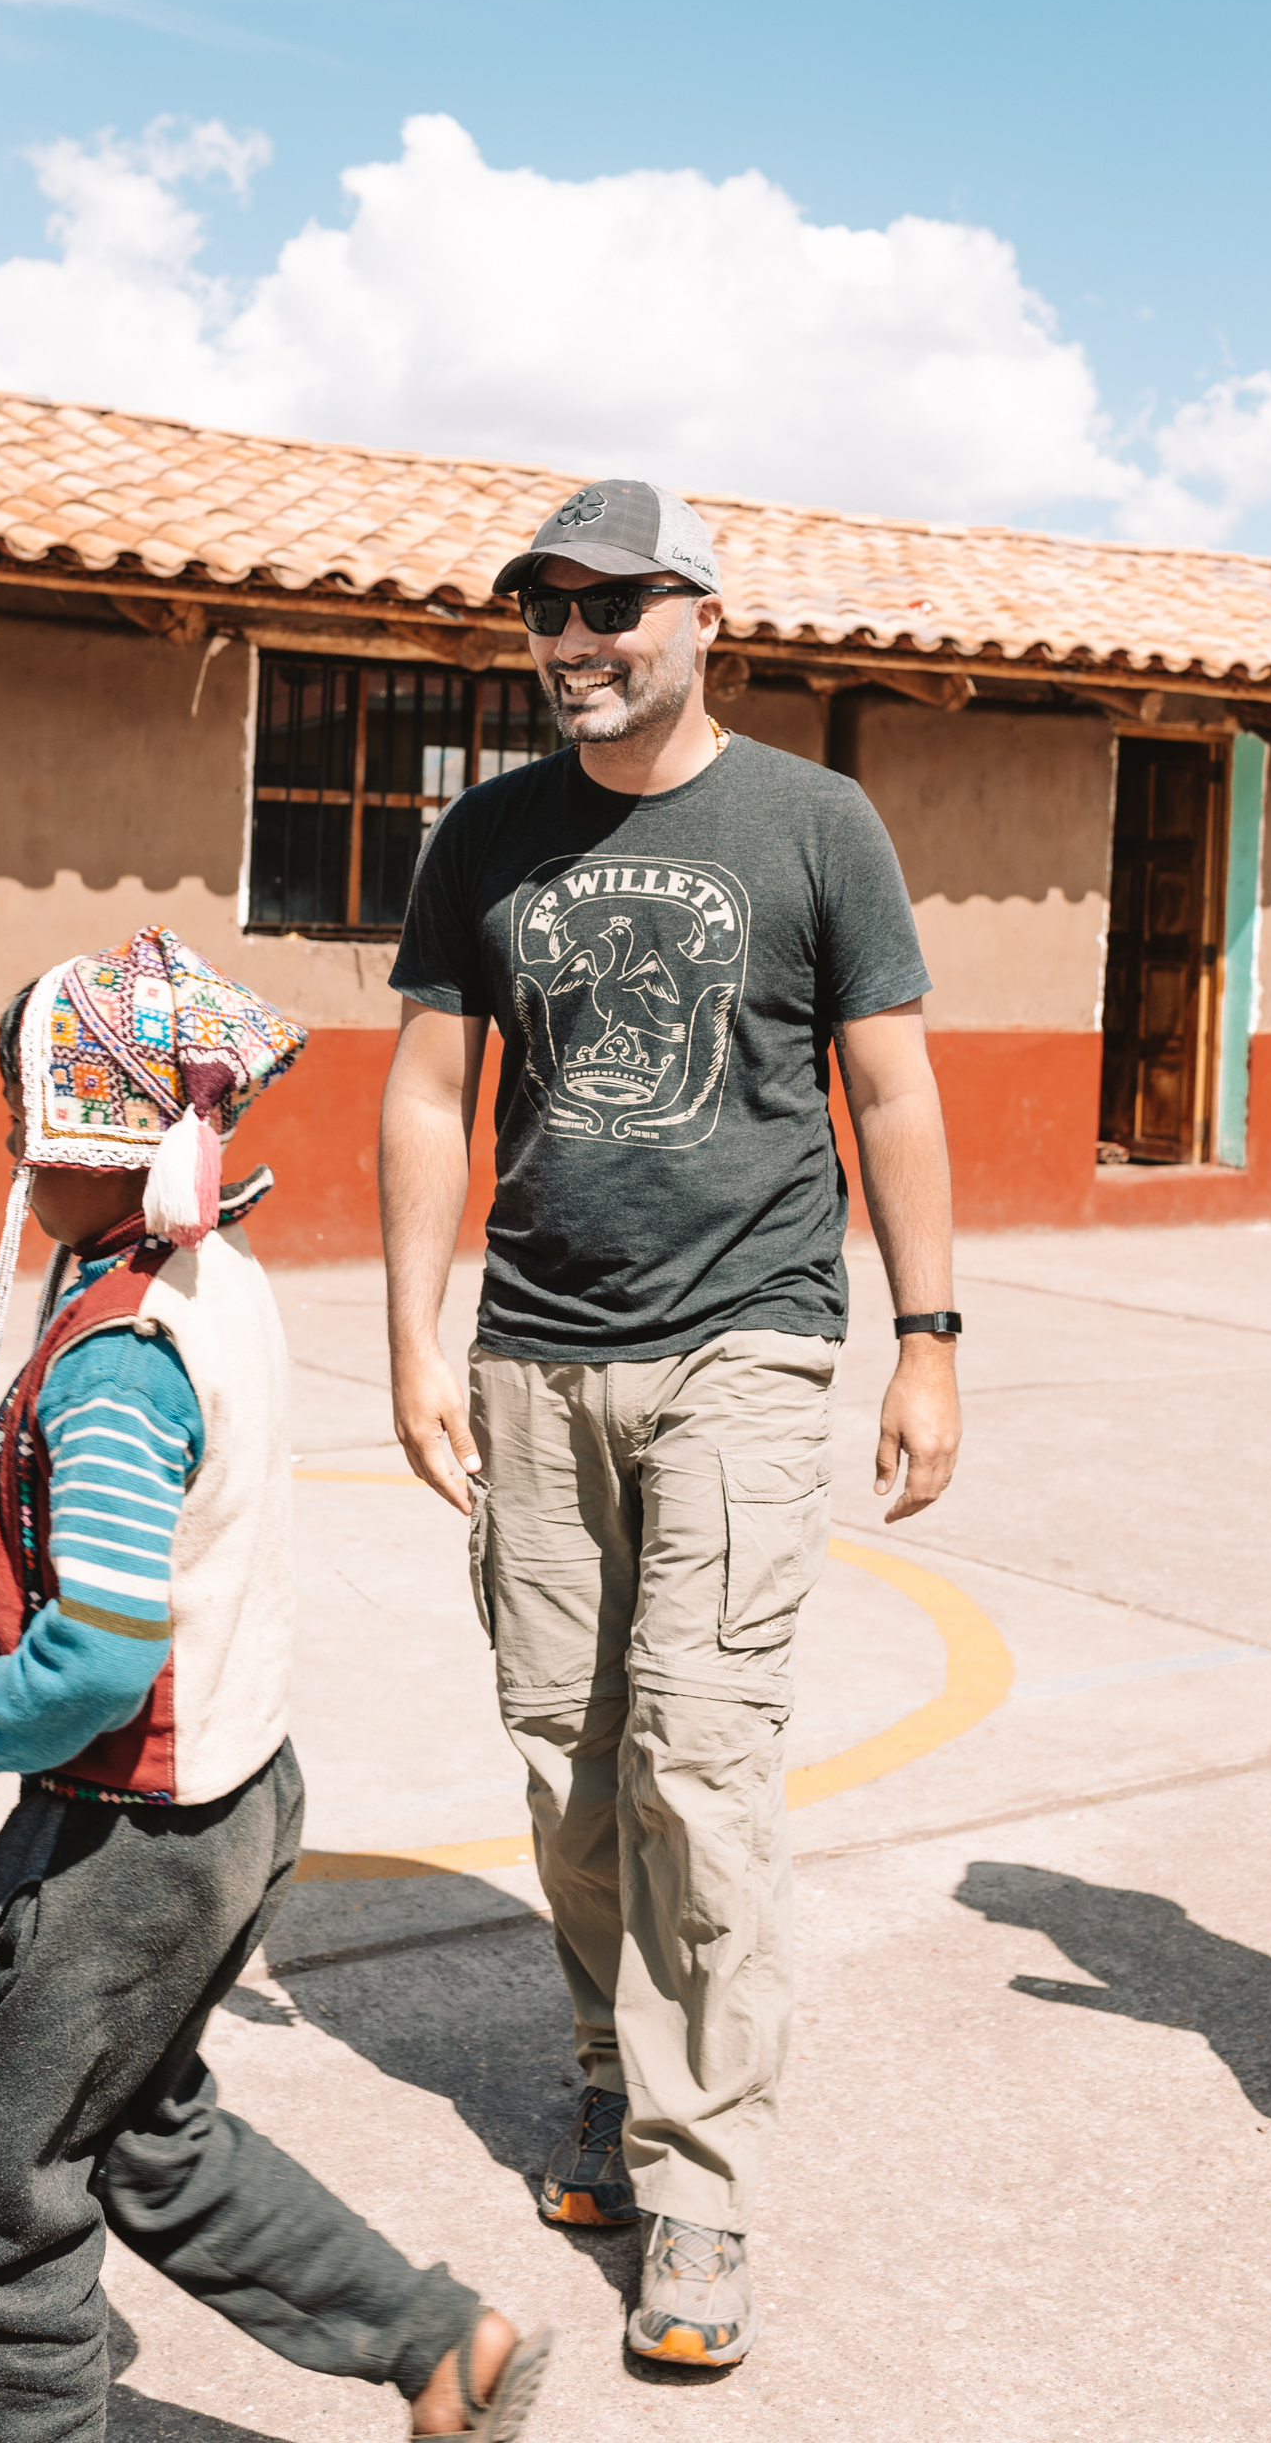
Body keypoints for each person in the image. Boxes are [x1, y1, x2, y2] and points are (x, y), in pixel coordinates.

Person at [379, 477, 962, 2368]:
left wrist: (929, 1335)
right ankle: (607, 2075)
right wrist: (410, 1334)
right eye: (546, 611)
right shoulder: (487, 836)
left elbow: (888, 1089)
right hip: (535, 1352)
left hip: (748, 1344)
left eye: (612, 605)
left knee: (696, 1761)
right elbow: (426, 1088)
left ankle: (701, 2183)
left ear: (703, 613)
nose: (573, 642)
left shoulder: (815, 823)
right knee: (565, 1756)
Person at [0, 928, 552, 2443]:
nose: (10, 1156)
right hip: (234, 1799)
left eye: (26, 1127)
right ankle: (446, 2351)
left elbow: (106, 1650)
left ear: (96, 1142)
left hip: (130, 1846)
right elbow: (101, 1574)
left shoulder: (119, 1358)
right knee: (145, 2139)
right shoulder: (190, 1270)